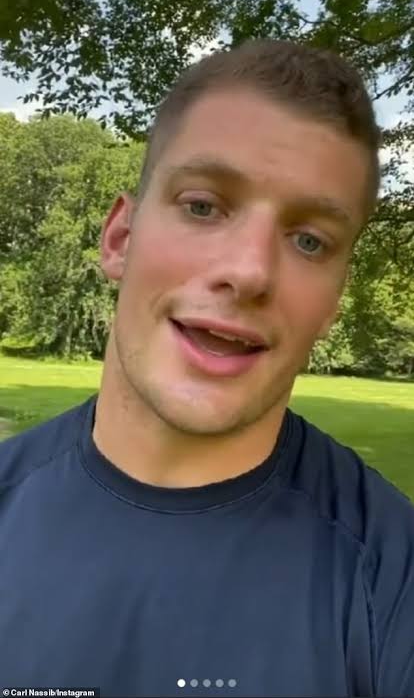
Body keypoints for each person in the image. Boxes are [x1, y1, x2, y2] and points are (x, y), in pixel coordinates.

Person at [0, 39, 413, 698]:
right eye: (202, 206)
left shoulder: (392, 577)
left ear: (334, 302)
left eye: (309, 241)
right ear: (120, 240)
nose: (249, 271)